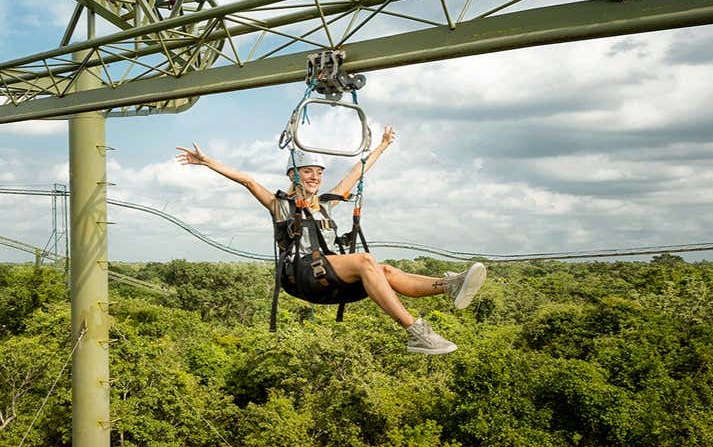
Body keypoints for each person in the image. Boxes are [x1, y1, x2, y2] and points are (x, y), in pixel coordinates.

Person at [176, 125, 486, 355]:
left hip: (328, 275)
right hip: (302, 276)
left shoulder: (325, 204)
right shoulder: (280, 205)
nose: (314, 177)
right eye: (307, 172)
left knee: (386, 271)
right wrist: (207, 162)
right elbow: (248, 180)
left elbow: (356, 173)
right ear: (294, 175)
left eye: (318, 173)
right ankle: (416, 333)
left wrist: (383, 146)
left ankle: (449, 285)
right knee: (366, 260)